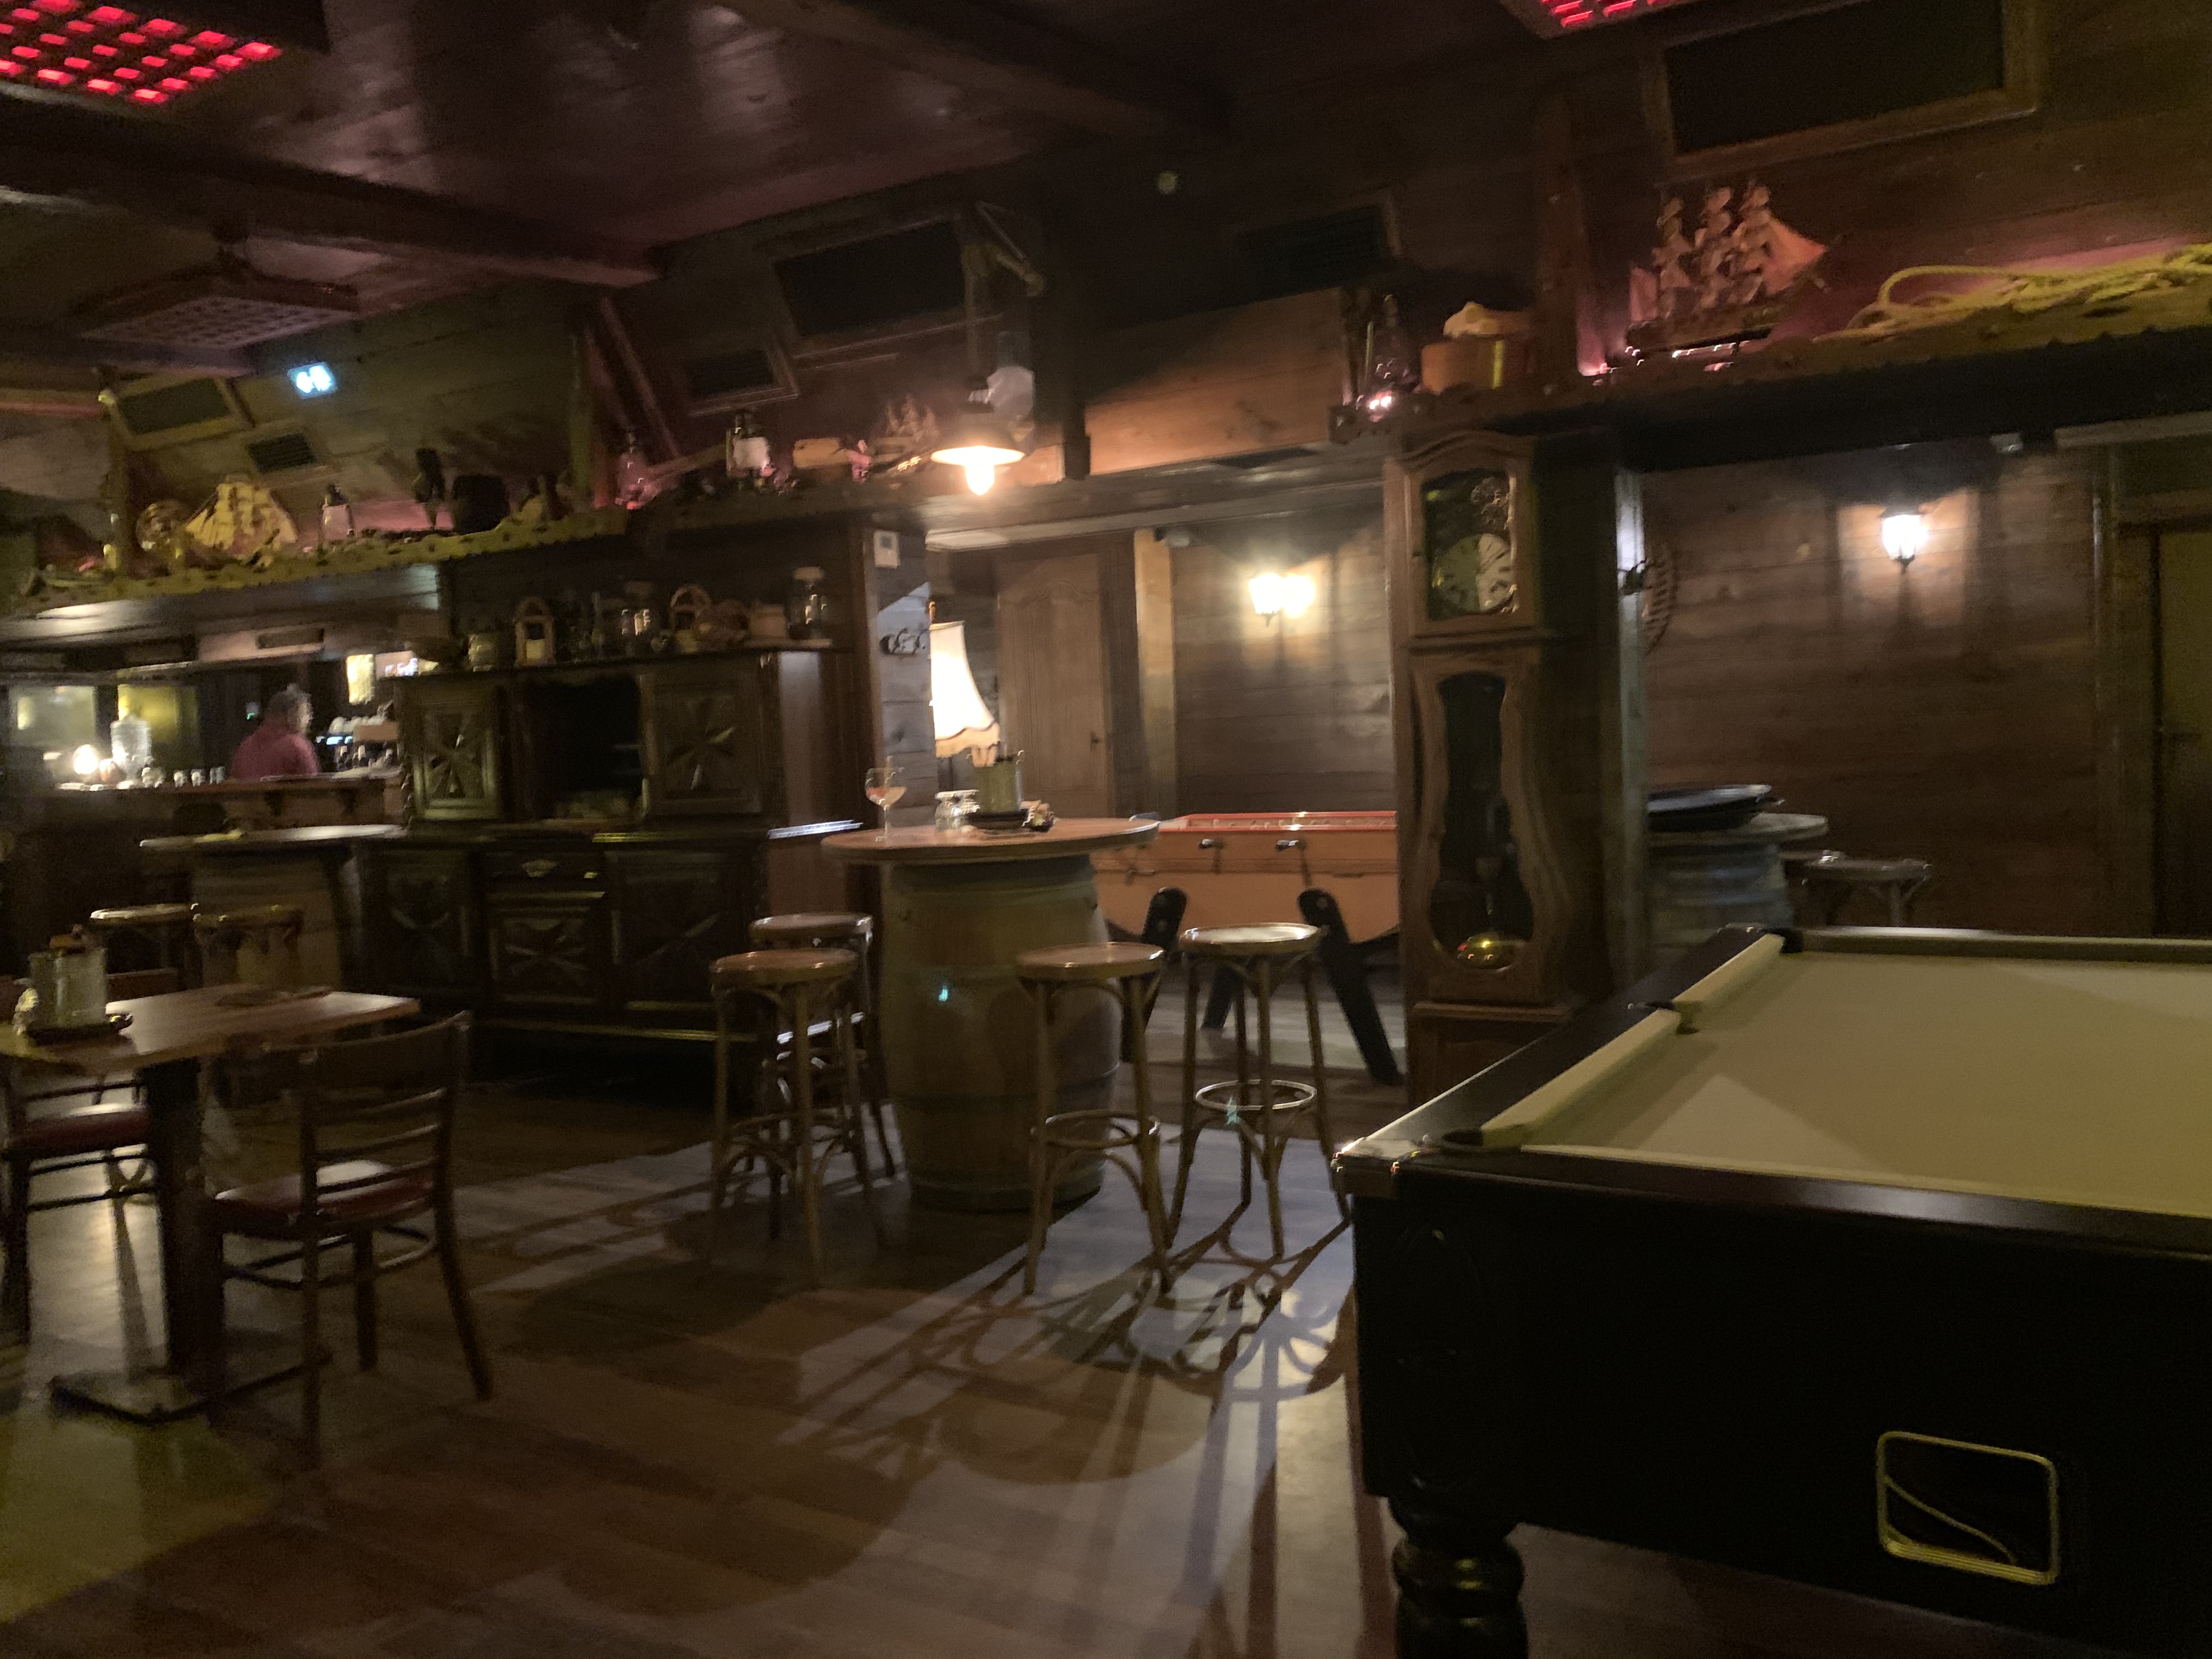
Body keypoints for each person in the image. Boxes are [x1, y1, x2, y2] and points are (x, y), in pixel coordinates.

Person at [229, 687, 320, 781]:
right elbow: (313, 784)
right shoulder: (297, 746)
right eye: (306, 713)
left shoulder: (246, 746)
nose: (309, 719)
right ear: (291, 716)